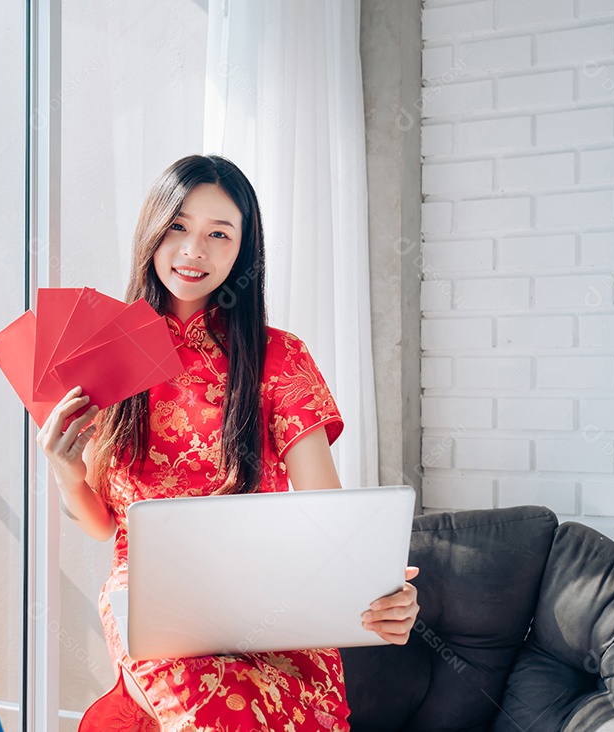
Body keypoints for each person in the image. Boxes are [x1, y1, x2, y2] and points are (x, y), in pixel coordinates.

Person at [37, 154, 420, 731]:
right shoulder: (103, 352)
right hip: (151, 598)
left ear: (244, 252)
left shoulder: (279, 356)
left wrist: (379, 593)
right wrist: (66, 472)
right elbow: (101, 524)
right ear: (152, 231)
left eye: (219, 235)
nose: (194, 251)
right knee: (216, 711)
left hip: (275, 600)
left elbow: (327, 510)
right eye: (178, 227)